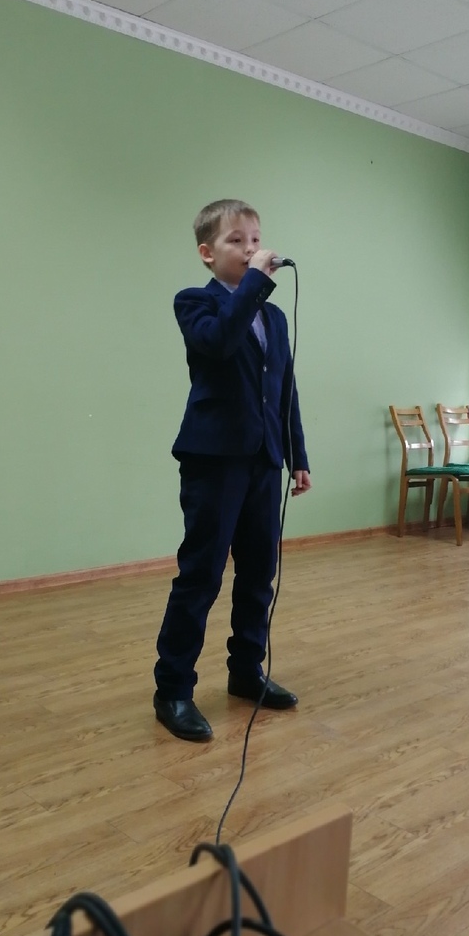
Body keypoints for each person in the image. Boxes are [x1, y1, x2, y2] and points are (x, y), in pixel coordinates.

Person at [153, 199, 311, 742]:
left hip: (264, 460)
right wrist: (255, 285)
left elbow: (284, 390)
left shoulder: (274, 317)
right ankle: (173, 689)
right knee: (201, 575)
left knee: (259, 572)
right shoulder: (195, 302)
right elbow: (219, 343)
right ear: (207, 253)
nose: (251, 249)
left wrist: (297, 455)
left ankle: (246, 671)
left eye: (256, 239)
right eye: (236, 241)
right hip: (214, 461)